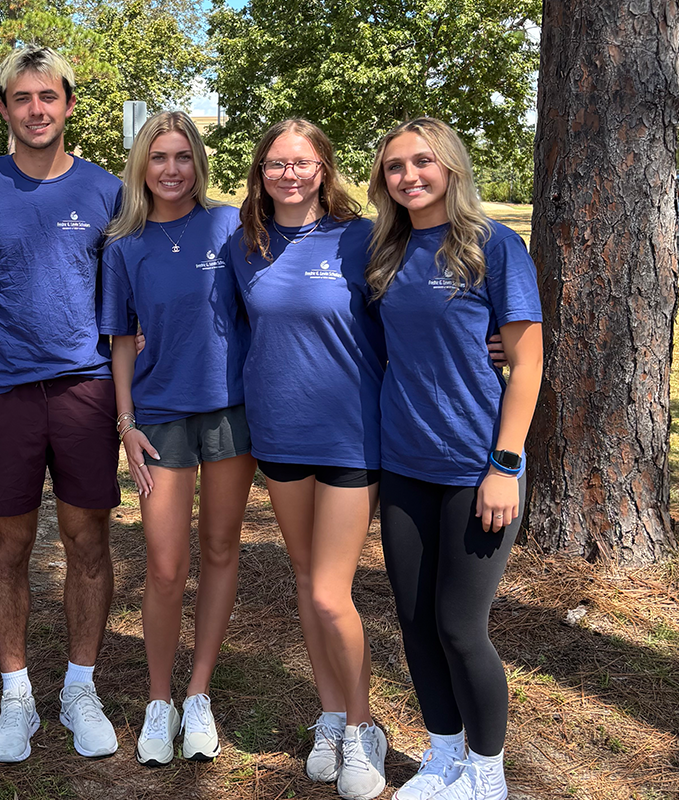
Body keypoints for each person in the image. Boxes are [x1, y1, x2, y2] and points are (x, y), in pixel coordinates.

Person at [0, 46, 124, 762]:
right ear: (3, 110)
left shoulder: (109, 191)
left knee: (88, 542)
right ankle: (15, 694)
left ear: (69, 104)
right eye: (22, 99)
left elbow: (137, 295)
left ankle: (80, 687)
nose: (36, 110)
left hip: (85, 390)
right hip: (2, 391)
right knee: (8, 546)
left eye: (48, 97)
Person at [367, 117, 542, 800]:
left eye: (422, 163)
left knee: (460, 627)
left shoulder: (494, 247)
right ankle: (441, 757)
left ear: (451, 167)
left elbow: (526, 365)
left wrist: (504, 464)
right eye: (394, 168)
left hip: (476, 468)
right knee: (413, 620)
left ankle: (487, 773)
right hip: (404, 464)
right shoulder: (387, 249)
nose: (408, 177)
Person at [226, 119, 387, 800]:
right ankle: (329, 714)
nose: (286, 174)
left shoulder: (365, 236)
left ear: (324, 169)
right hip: (280, 433)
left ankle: (364, 725)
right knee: (302, 580)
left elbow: (412, 313)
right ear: (261, 171)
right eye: (274, 164)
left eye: (301, 163)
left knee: (330, 591)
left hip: (351, 433)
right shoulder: (246, 245)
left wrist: (492, 343)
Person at [99, 111, 254, 766]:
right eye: (159, 157)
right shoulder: (123, 245)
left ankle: (197, 696)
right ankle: (158, 701)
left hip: (229, 412)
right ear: (143, 166)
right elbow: (121, 344)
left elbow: (271, 296)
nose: (171, 169)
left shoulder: (229, 224)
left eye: (183, 156)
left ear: (199, 163)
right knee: (164, 566)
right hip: (159, 418)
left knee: (219, 548)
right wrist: (126, 424)